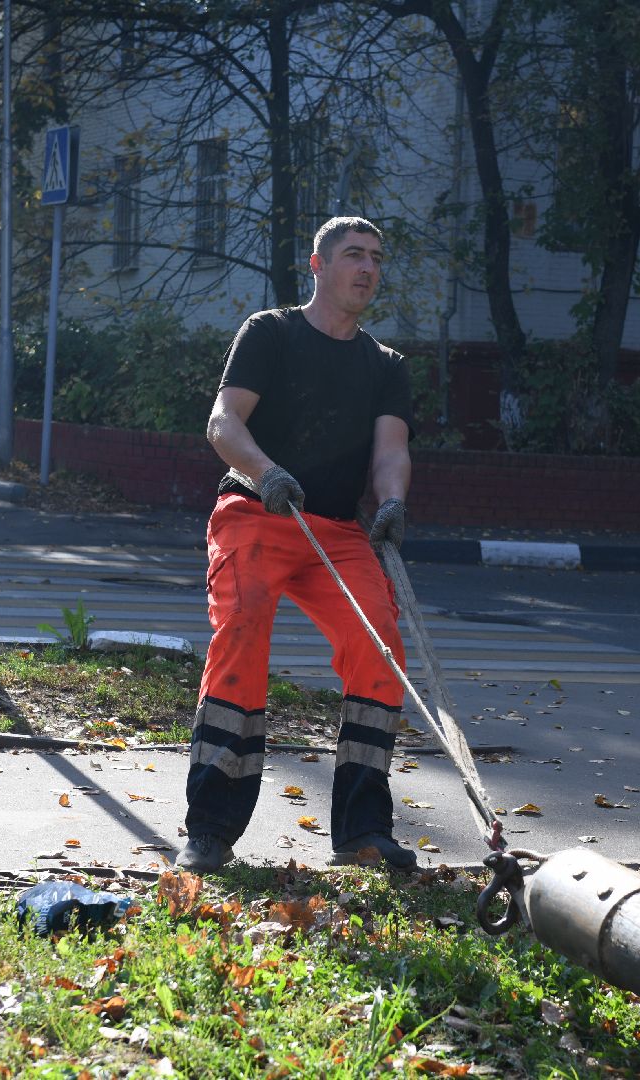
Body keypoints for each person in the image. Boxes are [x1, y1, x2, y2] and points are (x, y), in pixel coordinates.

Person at [177, 216, 417, 873]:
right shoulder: (270, 333)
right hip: (257, 512)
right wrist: (266, 471)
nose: (366, 268)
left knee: (380, 647)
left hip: (336, 531)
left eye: (375, 257)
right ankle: (211, 829)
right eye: (352, 255)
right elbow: (224, 422)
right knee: (243, 632)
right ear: (317, 265)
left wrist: (391, 502)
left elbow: (391, 451)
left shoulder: (385, 366)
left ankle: (363, 831)